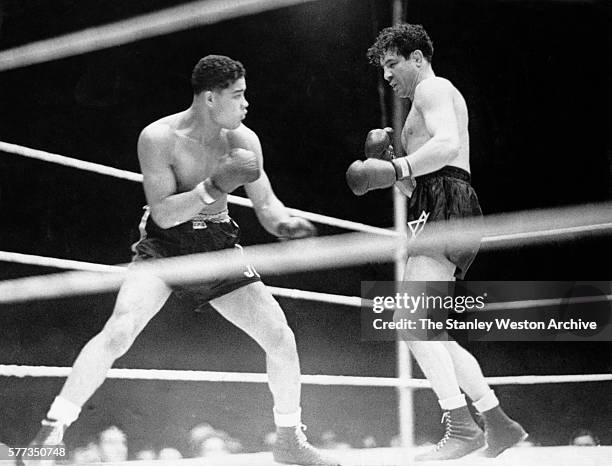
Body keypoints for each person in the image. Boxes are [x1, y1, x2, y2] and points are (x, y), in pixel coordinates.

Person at [28, 55, 339, 466]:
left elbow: (268, 206)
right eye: (238, 95)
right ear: (211, 98)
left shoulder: (244, 141)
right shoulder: (159, 138)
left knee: (281, 338)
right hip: (165, 247)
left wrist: (289, 227)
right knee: (119, 331)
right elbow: (163, 213)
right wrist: (212, 186)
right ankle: (50, 431)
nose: (246, 104)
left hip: (218, 246)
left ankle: (289, 440)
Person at [346, 24, 527, 461]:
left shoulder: (433, 88)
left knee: (411, 322)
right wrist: (389, 167)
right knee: (431, 331)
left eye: (392, 64)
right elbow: (416, 185)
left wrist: (397, 166)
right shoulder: (415, 111)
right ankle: (498, 425)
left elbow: (446, 146)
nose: (387, 75)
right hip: (436, 202)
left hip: (449, 200)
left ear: (417, 58)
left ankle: (461, 427)